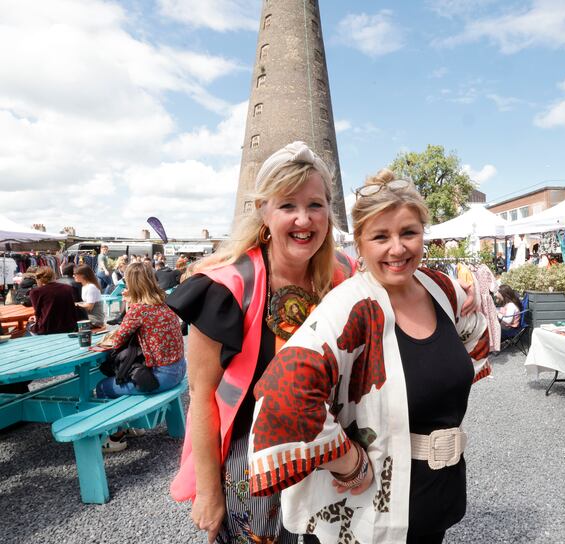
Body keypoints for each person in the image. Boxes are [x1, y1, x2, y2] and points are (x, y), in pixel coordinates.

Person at [246, 168, 490, 544]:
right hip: (365, 519)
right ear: (359, 242)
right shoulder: (350, 307)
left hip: (436, 502)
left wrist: (473, 304)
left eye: (409, 232)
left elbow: (474, 334)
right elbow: (283, 397)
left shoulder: (440, 289)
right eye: (381, 236)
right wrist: (349, 463)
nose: (398, 248)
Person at [166, 142, 358, 544]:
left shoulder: (345, 275)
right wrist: (208, 491)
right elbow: (201, 398)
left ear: (328, 213)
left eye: (316, 205)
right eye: (288, 205)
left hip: (331, 450)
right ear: (265, 213)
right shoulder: (226, 287)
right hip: (251, 466)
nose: (304, 219)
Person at [95, 262, 186, 452]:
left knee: (102, 387)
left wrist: (130, 306)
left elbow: (118, 340)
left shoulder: (139, 310)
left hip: (160, 376)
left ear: (132, 284)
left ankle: (116, 436)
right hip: (179, 370)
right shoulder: (164, 303)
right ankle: (131, 426)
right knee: (125, 379)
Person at [27, 267, 78, 335]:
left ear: (38, 279)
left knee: (28, 325)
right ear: (53, 276)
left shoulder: (36, 292)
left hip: (47, 328)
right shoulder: (68, 288)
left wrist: (34, 320)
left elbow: (38, 312)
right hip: (69, 327)